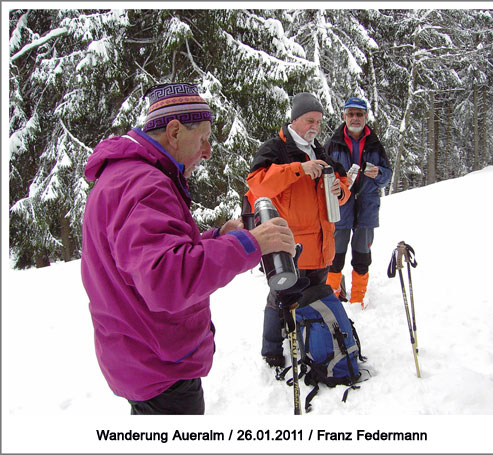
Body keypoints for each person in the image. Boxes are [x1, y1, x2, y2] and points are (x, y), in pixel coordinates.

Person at [81, 82, 296, 414]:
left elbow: (147, 260)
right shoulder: (144, 185)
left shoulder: (127, 175)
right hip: (160, 369)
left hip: (139, 357)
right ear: (174, 130)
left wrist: (218, 237)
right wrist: (250, 244)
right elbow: (167, 280)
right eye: (204, 138)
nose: (208, 150)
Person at [246, 92, 350, 367]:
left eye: (318, 121)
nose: (314, 126)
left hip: (321, 242)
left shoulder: (321, 150)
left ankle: (309, 344)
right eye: (309, 120)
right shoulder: (275, 149)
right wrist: (299, 169)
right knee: (280, 297)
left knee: (314, 296)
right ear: (295, 120)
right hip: (288, 244)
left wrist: (341, 192)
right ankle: (271, 351)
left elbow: (342, 186)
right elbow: (257, 186)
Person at [324, 96, 392, 309]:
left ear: (366, 117)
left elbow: (387, 175)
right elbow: (323, 174)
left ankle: (357, 299)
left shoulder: (375, 144)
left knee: (362, 255)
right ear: (344, 116)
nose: (355, 118)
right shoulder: (333, 143)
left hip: (367, 206)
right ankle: (332, 298)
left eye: (359, 114)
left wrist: (378, 173)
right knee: (335, 255)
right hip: (341, 206)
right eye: (351, 114)